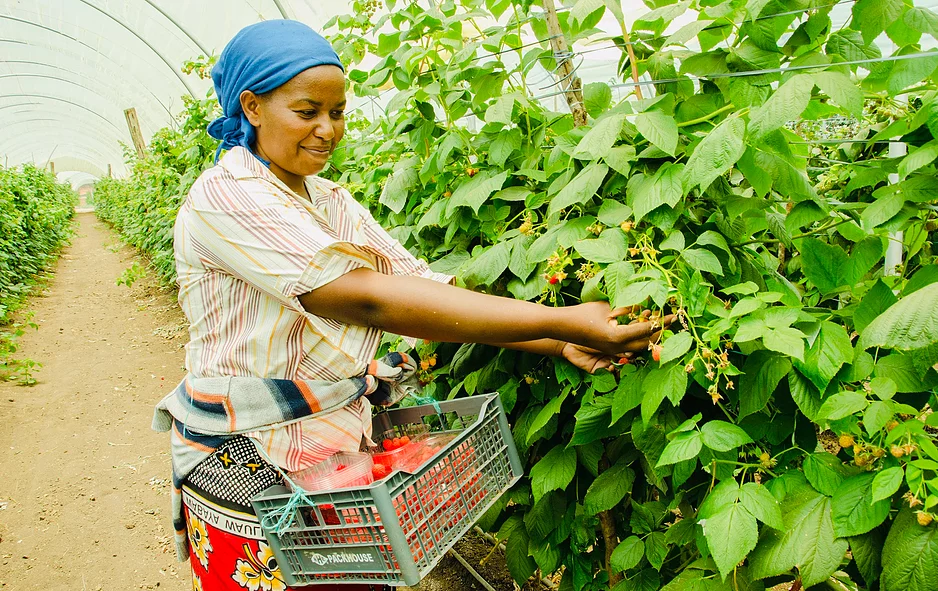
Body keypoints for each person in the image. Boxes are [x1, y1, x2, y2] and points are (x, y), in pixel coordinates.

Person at [152, 19, 666, 591]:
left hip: (334, 455)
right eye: (307, 111)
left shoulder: (326, 198)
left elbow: (424, 290)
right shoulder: (227, 196)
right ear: (251, 107)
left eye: (338, 111)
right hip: (249, 462)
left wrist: (557, 340)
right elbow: (370, 300)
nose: (328, 129)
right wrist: (560, 318)